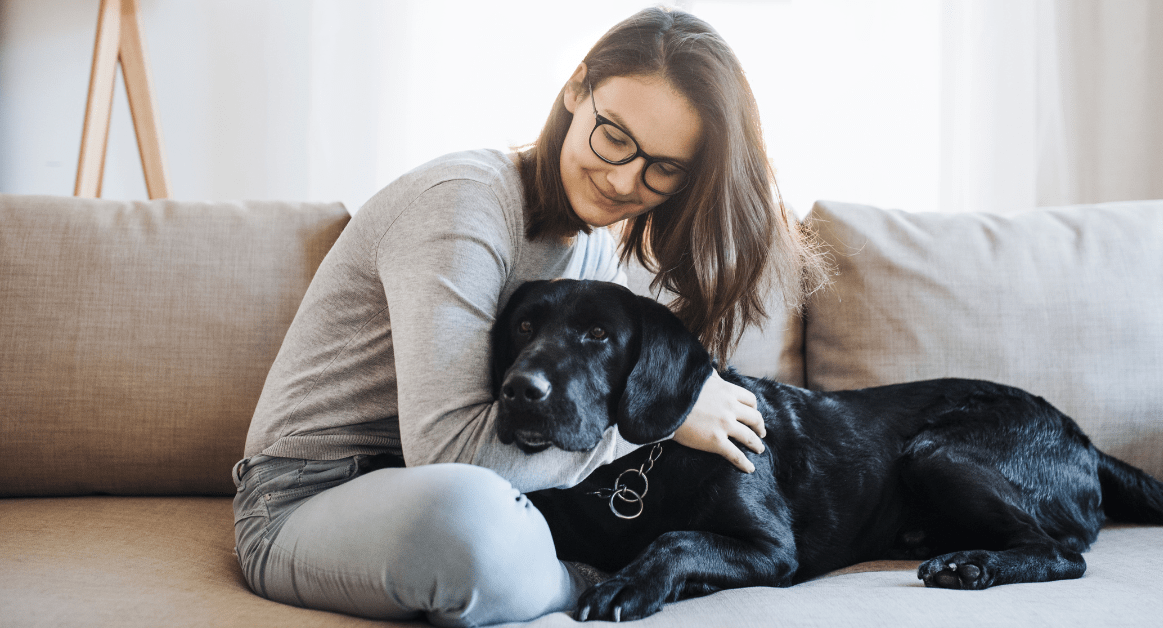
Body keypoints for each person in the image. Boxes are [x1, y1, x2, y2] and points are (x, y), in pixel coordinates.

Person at [232, 6, 827, 626]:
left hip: (456, 488)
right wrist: (664, 421)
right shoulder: (465, 204)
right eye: (615, 136)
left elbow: (572, 424)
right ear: (576, 89)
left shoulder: (593, 243)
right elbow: (448, 454)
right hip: (308, 495)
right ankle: (568, 584)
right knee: (472, 523)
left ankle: (557, 579)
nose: (624, 181)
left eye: (662, 168)